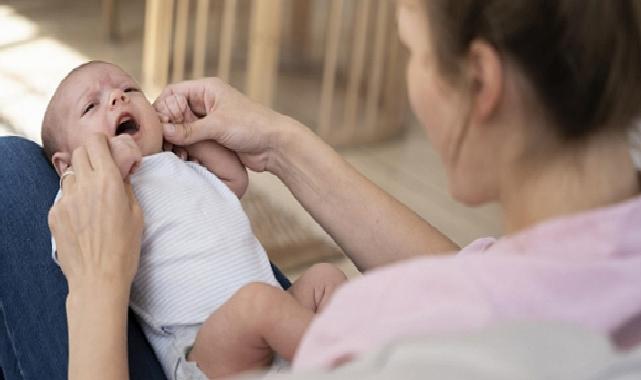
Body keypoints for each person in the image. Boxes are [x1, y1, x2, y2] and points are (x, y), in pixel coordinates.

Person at [5, 0, 641, 378]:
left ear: (481, 82)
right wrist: (281, 142)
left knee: (10, 175)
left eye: (410, 51)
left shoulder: (389, 344)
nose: (118, 99)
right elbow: (502, 286)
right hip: (241, 318)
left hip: (230, 346)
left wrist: (96, 288)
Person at [41, 60, 347, 379]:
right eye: (91, 106)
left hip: (270, 318)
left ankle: (345, 356)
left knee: (325, 279)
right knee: (259, 302)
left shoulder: (175, 163)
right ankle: (349, 365)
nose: (118, 97)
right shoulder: (83, 196)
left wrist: (188, 131)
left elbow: (233, 182)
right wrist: (113, 161)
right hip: (202, 347)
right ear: (65, 166)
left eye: (130, 89)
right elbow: (71, 251)